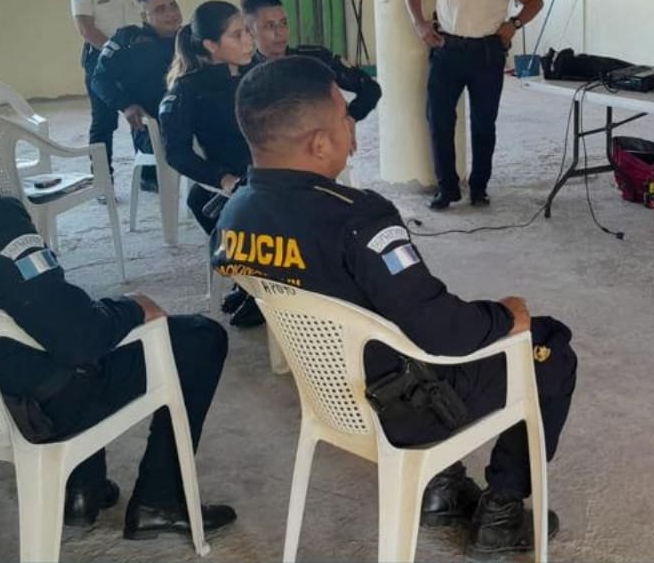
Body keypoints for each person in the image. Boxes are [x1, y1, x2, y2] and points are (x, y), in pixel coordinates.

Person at [213, 56, 576, 554]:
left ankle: (442, 489)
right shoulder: (359, 220)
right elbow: (442, 331)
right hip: (404, 406)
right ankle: (502, 513)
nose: (354, 131)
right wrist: (505, 317)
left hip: (332, 395)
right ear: (318, 143)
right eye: (346, 118)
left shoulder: (232, 216)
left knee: (400, 322)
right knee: (548, 345)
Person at [0, 50, 236, 539]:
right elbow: (80, 338)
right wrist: (132, 308)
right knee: (194, 336)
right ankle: (161, 499)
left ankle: (81, 490)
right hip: (25, 406)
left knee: (58, 306)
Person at [404, 0, 545, 210]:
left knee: (484, 124)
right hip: (447, 50)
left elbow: (534, 0)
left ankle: (479, 187)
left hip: (487, 53)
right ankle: (448, 189)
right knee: (439, 120)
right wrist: (420, 24)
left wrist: (515, 23)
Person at [158, 0, 262, 327]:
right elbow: (175, 152)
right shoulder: (188, 89)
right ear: (211, 45)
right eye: (237, 35)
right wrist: (223, 179)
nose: (249, 40)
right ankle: (249, 283)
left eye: (247, 31)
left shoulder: (259, 72)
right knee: (202, 201)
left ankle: (260, 289)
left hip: (274, 172)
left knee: (252, 209)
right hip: (235, 178)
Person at [90, 0, 181, 193]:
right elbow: (100, 79)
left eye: (173, 5)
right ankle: (149, 175)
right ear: (144, 15)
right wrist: (126, 105)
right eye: (160, 10)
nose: (171, 13)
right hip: (154, 129)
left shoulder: (190, 38)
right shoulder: (128, 39)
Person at [241, 0, 382, 123]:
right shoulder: (245, 75)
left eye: (284, 23)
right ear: (250, 31)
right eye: (269, 26)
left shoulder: (313, 60)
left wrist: (350, 119)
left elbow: (371, 88)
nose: (280, 32)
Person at [71, 0, 144, 181]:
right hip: (102, 59)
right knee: (104, 120)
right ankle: (103, 178)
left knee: (143, 114)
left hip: (136, 58)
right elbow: (86, 29)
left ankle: (148, 173)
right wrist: (115, 52)